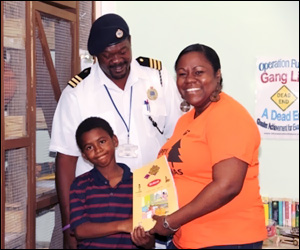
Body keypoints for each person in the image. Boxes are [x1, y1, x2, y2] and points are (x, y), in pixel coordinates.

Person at [49, 13, 182, 249]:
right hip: (99, 211)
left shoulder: (158, 79)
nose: (118, 60)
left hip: (152, 201)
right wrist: (69, 228)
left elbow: (177, 141)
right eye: (108, 55)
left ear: (130, 43)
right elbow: (66, 160)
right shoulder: (78, 92)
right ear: (95, 56)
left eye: (123, 51)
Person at [149, 44, 268, 249]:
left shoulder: (228, 115)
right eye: (182, 73)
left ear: (218, 75)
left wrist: (170, 222)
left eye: (199, 72)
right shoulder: (186, 120)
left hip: (226, 239)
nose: (189, 80)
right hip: (187, 238)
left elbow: (227, 185)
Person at [70, 116, 154, 249]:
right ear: (84, 155)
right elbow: (80, 231)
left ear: (114, 140)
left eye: (102, 141)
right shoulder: (80, 185)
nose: (98, 150)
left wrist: (145, 241)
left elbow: (150, 239)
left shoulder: (139, 183)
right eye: (89, 147)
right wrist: (122, 225)